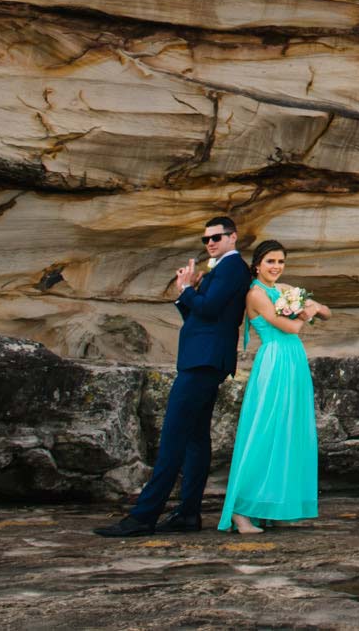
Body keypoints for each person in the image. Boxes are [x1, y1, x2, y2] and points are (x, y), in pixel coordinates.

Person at [96, 215, 250, 536]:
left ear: (233, 238)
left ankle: (144, 516)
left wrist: (186, 289)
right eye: (206, 239)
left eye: (216, 237)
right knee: (194, 440)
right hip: (202, 359)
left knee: (173, 438)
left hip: (204, 361)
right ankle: (187, 515)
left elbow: (207, 310)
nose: (210, 243)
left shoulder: (233, 267)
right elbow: (196, 314)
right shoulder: (219, 270)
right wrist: (188, 292)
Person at [219, 241, 331, 533]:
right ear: (257, 264)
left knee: (289, 430)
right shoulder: (256, 294)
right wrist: (307, 311)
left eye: (280, 261)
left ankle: (273, 505)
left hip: (294, 360)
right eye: (270, 261)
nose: (276, 267)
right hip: (274, 360)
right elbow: (289, 327)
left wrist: (314, 306)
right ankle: (241, 511)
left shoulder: (285, 289)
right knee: (265, 431)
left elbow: (327, 312)